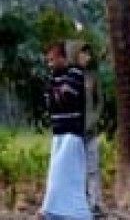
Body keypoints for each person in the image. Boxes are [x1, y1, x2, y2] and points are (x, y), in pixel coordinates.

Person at [39, 41, 92, 220]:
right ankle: (53, 212)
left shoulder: (75, 74)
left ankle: (74, 214)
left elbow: (65, 97)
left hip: (72, 135)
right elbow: (50, 101)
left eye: (52, 60)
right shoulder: (54, 77)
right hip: (58, 134)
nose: (50, 64)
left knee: (66, 177)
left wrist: (56, 94)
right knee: (56, 177)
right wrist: (56, 94)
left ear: (63, 58)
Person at [74, 42, 105, 219]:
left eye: (88, 54)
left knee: (93, 168)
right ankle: (79, 204)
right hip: (73, 131)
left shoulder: (93, 77)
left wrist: (94, 119)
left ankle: (95, 204)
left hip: (90, 130)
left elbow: (99, 102)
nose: (87, 57)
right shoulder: (70, 76)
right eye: (83, 54)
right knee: (76, 170)